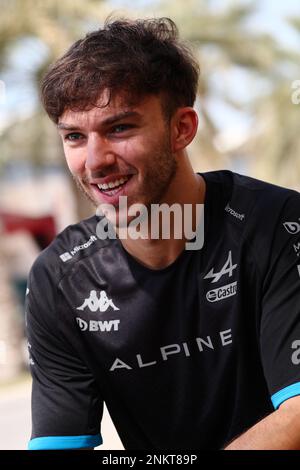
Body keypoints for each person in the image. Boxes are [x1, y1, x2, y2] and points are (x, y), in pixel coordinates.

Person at [25, 17, 300, 451]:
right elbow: (59, 444)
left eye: (119, 128)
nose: (94, 162)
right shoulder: (58, 279)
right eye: (75, 136)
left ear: (182, 129)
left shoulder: (278, 224)